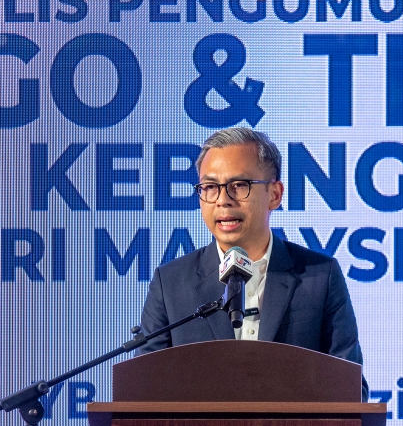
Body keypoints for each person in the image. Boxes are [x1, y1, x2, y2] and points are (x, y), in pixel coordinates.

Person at [137, 127, 368, 400]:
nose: (223, 200)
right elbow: (144, 391)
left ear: (275, 194)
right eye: (210, 187)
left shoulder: (319, 277)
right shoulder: (172, 282)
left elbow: (350, 390)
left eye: (239, 186)